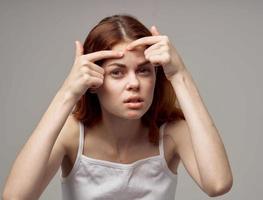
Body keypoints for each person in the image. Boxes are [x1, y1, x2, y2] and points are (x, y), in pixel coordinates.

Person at [2, 14, 233, 200]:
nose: (134, 84)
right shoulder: (72, 135)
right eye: (117, 72)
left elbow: (218, 184)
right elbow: (16, 197)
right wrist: (68, 92)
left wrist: (179, 74)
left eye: (144, 70)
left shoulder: (172, 132)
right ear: (94, 80)